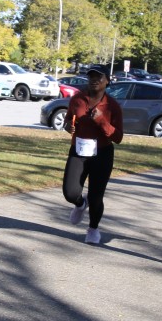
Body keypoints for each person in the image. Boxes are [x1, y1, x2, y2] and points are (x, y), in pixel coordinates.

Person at [63, 67, 124, 244]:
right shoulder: (77, 99)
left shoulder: (112, 106)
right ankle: (80, 204)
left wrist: (101, 120)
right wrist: (68, 126)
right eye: (91, 77)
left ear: (107, 81)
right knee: (70, 192)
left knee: (96, 196)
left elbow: (118, 137)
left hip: (102, 154)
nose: (94, 80)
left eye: (99, 77)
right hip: (79, 151)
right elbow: (68, 119)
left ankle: (93, 229)